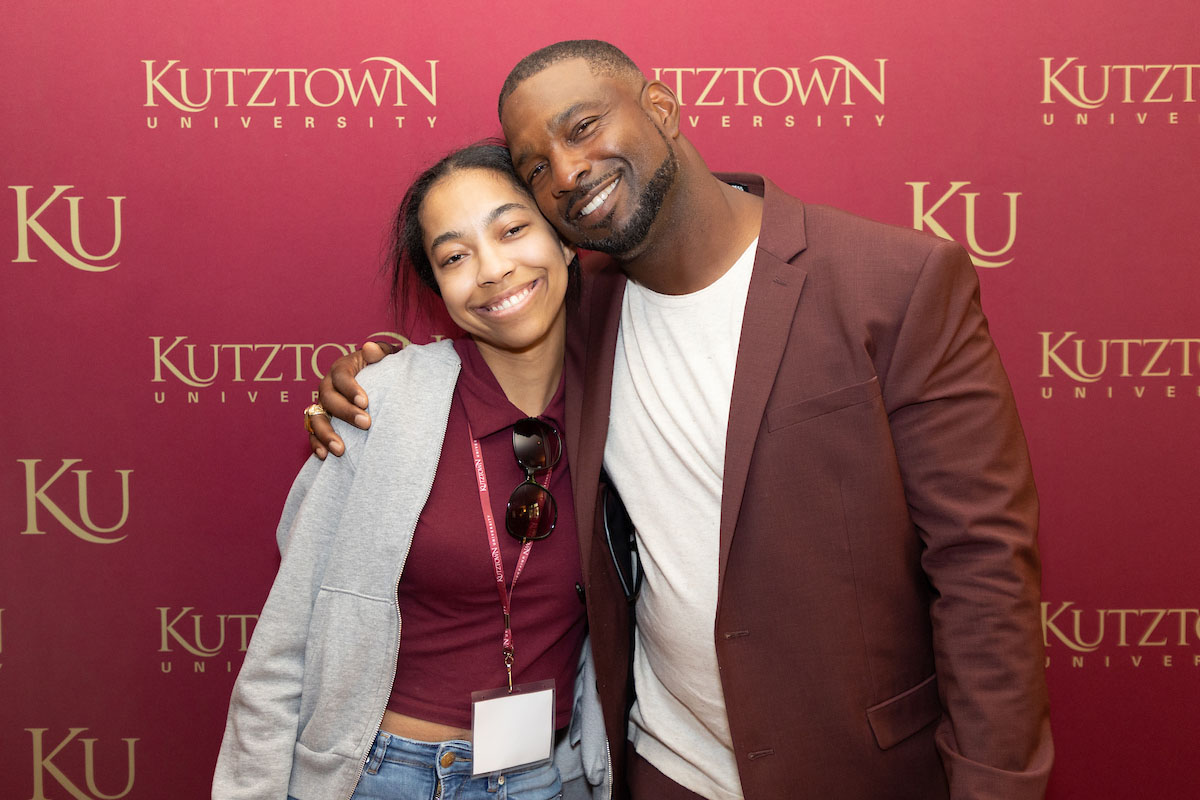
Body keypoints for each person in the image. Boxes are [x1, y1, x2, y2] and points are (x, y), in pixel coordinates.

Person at [309, 40, 1053, 800]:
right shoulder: (584, 312)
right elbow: (488, 361)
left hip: (855, 772)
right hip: (662, 769)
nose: (566, 173)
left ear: (661, 108)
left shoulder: (892, 283)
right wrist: (383, 380)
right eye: (536, 167)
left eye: (582, 127)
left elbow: (982, 567)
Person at [213, 142, 611, 800]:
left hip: (543, 776)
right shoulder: (381, 405)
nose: (492, 269)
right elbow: (288, 638)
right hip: (386, 774)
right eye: (454, 256)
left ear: (566, 239)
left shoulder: (622, 403)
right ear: (439, 289)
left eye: (513, 230)